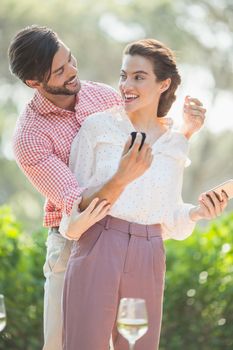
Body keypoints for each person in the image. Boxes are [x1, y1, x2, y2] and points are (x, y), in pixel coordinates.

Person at [8, 25, 206, 350]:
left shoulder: (102, 95)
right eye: (59, 71)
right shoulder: (30, 138)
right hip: (72, 240)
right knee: (63, 344)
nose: (73, 71)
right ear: (34, 83)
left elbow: (148, 148)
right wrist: (120, 179)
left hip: (129, 241)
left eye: (70, 59)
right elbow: (77, 207)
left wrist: (185, 132)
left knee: (131, 339)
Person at [61, 38, 228, 350]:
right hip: (99, 242)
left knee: (139, 345)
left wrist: (198, 212)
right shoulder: (98, 127)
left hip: (150, 251)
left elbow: (170, 214)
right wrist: (119, 178)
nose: (127, 84)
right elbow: (74, 202)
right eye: (124, 75)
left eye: (139, 76)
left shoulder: (176, 143)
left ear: (164, 84)